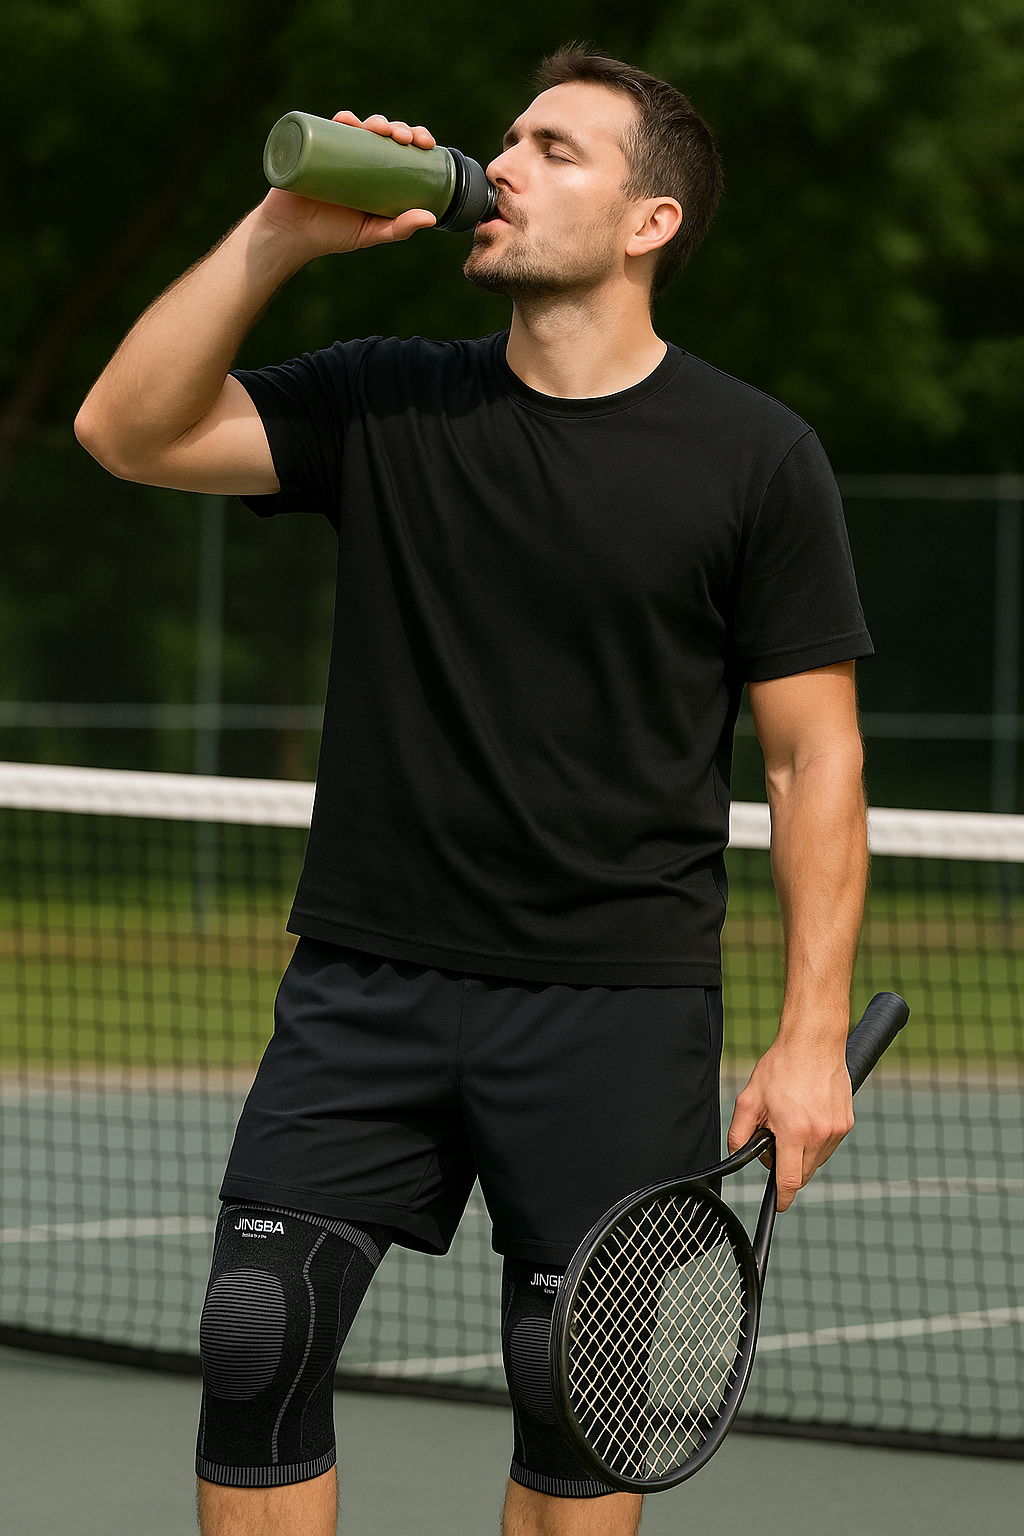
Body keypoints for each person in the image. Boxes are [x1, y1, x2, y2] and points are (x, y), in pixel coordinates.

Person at [75, 43, 871, 1536]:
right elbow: (127, 433)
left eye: (556, 149)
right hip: (363, 980)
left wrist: (809, 1031)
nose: (500, 164)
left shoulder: (760, 457)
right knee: (258, 1339)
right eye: (508, 138)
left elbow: (812, 753)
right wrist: (275, 237)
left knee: (582, 1413)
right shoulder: (386, 402)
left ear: (652, 223)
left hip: (614, 1005)